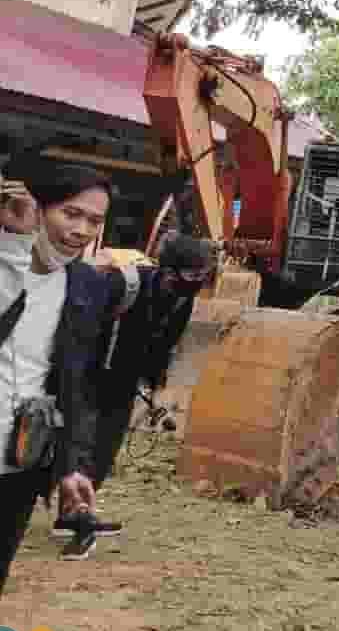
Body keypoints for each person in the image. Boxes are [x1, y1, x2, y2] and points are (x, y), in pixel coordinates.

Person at [0, 158, 130, 588]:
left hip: (18, 466)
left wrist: (72, 466)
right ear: (35, 206)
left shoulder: (85, 287)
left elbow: (76, 385)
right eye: (70, 213)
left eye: (94, 220)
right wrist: (15, 245)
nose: (82, 230)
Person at [59, 233, 215, 552]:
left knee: (104, 448)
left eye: (204, 275)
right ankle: (69, 510)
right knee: (76, 442)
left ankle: (74, 514)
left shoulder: (183, 300)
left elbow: (165, 345)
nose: (199, 281)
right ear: (169, 271)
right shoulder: (124, 284)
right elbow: (80, 325)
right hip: (86, 375)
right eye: (193, 275)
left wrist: (157, 388)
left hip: (122, 381)